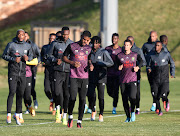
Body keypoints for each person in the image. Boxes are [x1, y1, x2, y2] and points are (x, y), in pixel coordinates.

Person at [2, 29, 33, 125]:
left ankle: (18, 114)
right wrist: (13, 59)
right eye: (19, 34)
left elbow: (31, 56)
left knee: (20, 94)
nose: (20, 35)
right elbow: (4, 55)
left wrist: (27, 59)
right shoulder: (11, 45)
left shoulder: (28, 46)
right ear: (16, 35)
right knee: (12, 92)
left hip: (23, 74)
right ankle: (8, 114)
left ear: (25, 36)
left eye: (22, 34)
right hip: (13, 73)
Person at [63, 31, 93, 128]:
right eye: (84, 39)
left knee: (83, 99)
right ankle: (70, 116)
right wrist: (72, 63)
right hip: (74, 76)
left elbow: (89, 59)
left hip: (84, 77)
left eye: (87, 40)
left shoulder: (89, 48)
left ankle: (79, 121)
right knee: (72, 98)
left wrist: (90, 65)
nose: (85, 42)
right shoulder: (72, 46)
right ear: (81, 37)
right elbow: (64, 57)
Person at [47, 27, 73, 125]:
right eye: (63, 34)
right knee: (57, 92)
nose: (65, 36)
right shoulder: (55, 43)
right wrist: (55, 60)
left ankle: (64, 115)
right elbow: (48, 55)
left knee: (67, 94)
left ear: (69, 34)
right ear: (61, 34)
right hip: (57, 71)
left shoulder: (72, 44)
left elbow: (75, 56)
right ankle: (58, 109)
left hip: (68, 72)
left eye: (66, 34)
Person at [87, 36, 114, 122]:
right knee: (91, 94)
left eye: (96, 43)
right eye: (93, 43)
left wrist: (101, 63)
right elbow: (87, 61)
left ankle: (101, 114)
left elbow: (111, 63)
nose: (94, 45)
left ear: (99, 44)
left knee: (100, 97)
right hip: (91, 76)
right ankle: (93, 110)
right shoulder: (89, 52)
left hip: (101, 77)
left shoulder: (103, 52)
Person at [117, 39, 143, 122]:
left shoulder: (135, 55)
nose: (126, 46)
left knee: (132, 97)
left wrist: (138, 67)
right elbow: (116, 65)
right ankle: (128, 117)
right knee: (124, 99)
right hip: (123, 80)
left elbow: (142, 61)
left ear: (131, 46)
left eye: (127, 45)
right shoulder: (119, 55)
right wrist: (118, 67)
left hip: (132, 79)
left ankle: (132, 112)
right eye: (125, 45)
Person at [146, 41, 175, 115]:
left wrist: (172, 73)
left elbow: (172, 63)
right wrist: (148, 69)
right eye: (156, 46)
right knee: (155, 95)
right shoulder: (151, 55)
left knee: (163, 95)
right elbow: (148, 65)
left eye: (158, 45)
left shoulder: (166, 54)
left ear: (161, 46)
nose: (156, 47)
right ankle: (159, 109)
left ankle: (166, 100)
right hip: (155, 79)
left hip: (164, 80)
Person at [126, 36, 146, 114]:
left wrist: (137, 66)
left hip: (135, 74)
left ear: (133, 42)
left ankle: (137, 107)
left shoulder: (138, 50)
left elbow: (143, 62)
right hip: (126, 75)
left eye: (130, 42)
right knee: (127, 92)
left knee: (136, 92)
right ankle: (131, 106)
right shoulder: (123, 50)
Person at [105, 33, 122, 114]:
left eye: (115, 39)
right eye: (113, 39)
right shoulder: (107, 49)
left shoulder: (121, 50)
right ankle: (114, 97)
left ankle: (114, 107)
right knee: (109, 92)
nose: (114, 40)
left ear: (118, 39)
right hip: (108, 74)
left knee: (116, 91)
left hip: (117, 74)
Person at [142, 31, 158, 111]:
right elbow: (141, 55)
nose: (152, 38)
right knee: (152, 86)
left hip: (158, 70)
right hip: (149, 69)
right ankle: (154, 103)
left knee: (158, 87)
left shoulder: (159, 45)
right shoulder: (146, 45)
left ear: (156, 36)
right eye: (151, 36)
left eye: (153, 36)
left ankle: (159, 101)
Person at [24, 32, 40, 109]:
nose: (24, 37)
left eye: (26, 36)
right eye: (23, 36)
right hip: (23, 69)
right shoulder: (19, 46)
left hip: (32, 68)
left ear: (28, 36)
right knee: (23, 89)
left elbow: (39, 55)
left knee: (31, 88)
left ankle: (34, 99)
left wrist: (37, 62)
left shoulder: (33, 45)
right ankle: (28, 107)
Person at [41, 33, 56, 114]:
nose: (51, 40)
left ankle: (55, 107)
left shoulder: (56, 47)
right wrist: (42, 61)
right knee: (46, 89)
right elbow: (42, 56)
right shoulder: (45, 47)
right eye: (50, 38)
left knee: (55, 89)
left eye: (53, 39)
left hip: (54, 70)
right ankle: (51, 99)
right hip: (47, 69)